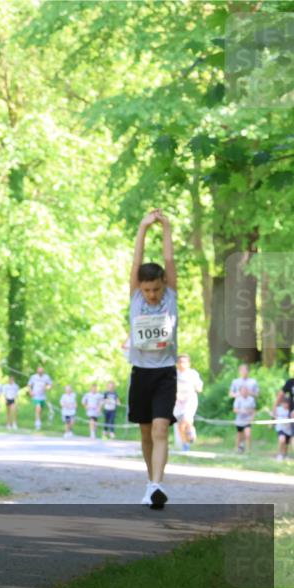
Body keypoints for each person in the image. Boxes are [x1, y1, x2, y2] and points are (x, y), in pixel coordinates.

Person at [127, 208, 177, 510]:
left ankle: (158, 484)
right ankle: (150, 483)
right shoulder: (135, 296)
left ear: (163, 284)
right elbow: (136, 261)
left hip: (165, 373)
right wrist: (143, 227)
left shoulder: (170, 295)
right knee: (146, 432)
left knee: (160, 428)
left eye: (156, 288)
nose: (152, 295)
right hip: (140, 372)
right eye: (146, 290)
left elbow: (170, 261)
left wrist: (166, 227)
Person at [172, 353, 203, 451]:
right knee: (180, 425)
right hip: (178, 403)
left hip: (190, 401)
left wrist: (198, 388)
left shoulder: (192, 374)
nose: (182, 364)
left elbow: (199, 386)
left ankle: (191, 433)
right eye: (180, 362)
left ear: (188, 363)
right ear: (177, 364)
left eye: (184, 362)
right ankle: (185, 444)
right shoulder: (173, 374)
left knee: (186, 420)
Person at [26, 366, 52, 430]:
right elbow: (29, 385)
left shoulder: (46, 377)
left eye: (41, 371)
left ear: (43, 371)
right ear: (37, 371)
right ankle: (38, 423)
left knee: (39, 411)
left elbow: (50, 385)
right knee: (38, 408)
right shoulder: (33, 377)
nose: (40, 372)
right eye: (39, 371)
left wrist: (46, 388)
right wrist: (30, 392)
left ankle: (38, 420)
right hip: (35, 396)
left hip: (42, 397)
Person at [233, 384, 256, 453]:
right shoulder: (238, 399)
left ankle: (248, 450)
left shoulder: (251, 399)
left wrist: (252, 417)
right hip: (239, 420)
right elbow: (235, 409)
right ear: (240, 391)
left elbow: (253, 410)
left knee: (248, 434)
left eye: (246, 390)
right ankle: (237, 448)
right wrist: (241, 411)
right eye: (243, 390)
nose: (245, 392)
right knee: (239, 435)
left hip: (247, 420)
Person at [274, 394, 291, 462]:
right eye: (284, 403)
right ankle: (279, 454)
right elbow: (274, 416)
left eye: (286, 403)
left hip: (288, 429)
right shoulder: (278, 409)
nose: (285, 405)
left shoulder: (290, 411)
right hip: (280, 428)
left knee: (286, 444)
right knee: (282, 440)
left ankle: (285, 454)